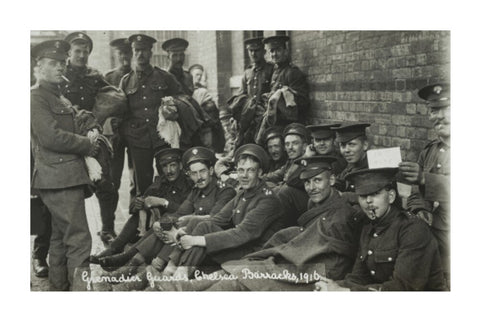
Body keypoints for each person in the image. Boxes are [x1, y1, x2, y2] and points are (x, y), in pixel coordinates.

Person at [152, 156, 362, 291]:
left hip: (304, 267)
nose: (312, 187)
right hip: (288, 255)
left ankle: (180, 286)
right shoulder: (318, 203)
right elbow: (217, 219)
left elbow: (334, 255)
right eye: (308, 182)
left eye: (318, 181)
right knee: (234, 270)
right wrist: (188, 226)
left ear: (332, 180)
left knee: (241, 277)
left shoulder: (340, 212)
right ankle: (180, 282)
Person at [99, 147, 236, 291]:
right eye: (194, 173)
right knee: (170, 224)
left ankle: (145, 271)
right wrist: (160, 224)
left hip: (210, 245)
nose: (199, 177)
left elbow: (213, 220)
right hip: (189, 242)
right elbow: (179, 213)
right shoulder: (197, 191)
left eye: (202, 171)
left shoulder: (225, 190)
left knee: (188, 224)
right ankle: (133, 267)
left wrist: (179, 225)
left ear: (211, 171)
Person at [31, 40, 100, 290]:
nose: (60, 67)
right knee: (80, 240)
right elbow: (50, 137)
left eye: (62, 62)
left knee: (60, 239)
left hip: (60, 176)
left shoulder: (55, 95)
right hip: (59, 177)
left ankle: (59, 290)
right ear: (39, 68)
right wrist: (86, 144)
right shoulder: (36, 97)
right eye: (52, 63)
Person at [315, 167, 446, 291]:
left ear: (391, 196)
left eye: (375, 194)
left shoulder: (413, 229)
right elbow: (359, 277)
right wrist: (333, 286)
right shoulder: (368, 227)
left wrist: (345, 291)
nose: (368, 201)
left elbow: (403, 288)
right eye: (362, 196)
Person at [164, 144, 284, 279]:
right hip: (240, 246)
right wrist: (187, 230)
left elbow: (242, 233)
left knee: (204, 232)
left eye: (250, 170)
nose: (244, 176)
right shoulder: (243, 194)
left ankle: (179, 274)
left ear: (260, 173)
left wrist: (197, 239)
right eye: (240, 170)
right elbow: (218, 218)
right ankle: (176, 269)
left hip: (255, 255)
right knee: (203, 224)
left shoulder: (268, 200)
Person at [90, 148, 193, 268]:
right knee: (138, 215)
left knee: (164, 219)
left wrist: (162, 202)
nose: (169, 171)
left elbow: (186, 210)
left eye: (173, 165)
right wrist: (138, 204)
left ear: (180, 165)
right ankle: (113, 249)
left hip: (173, 227)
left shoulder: (188, 184)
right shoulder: (161, 182)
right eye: (165, 166)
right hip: (155, 227)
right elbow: (139, 202)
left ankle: (127, 256)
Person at [60, 31, 117, 244]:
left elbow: (116, 96)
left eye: (85, 52)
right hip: (67, 139)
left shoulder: (94, 75)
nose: (82, 55)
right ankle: (42, 250)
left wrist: (96, 117)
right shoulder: (59, 75)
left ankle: (108, 230)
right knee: (63, 192)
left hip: (92, 137)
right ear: (68, 53)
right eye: (77, 51)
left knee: (106, 186)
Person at [398, 83, 450, 287]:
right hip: (433, 237)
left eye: (447, 109)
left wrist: (424, 179)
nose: (439, 116)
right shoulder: (430, 150)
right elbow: (415, 192)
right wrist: (419, 208)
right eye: (434, 110)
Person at [119, 34, 184, 196]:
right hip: (138, 141)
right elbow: (121, 112)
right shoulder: (126, 81)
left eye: (144, 50)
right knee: (142, 185)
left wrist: (172, 110)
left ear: (150, 52)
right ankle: (144, 220)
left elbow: (181, 101)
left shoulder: (165, 77)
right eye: (136, 50)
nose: (140, 54)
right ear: (133, 52)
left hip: (162, 139)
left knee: (169, 180)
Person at [256, 35, 309, 141]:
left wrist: (284, 95)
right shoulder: (275, 72)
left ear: (285, 51)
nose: (274, 54)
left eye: (278, 50)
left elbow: (303, 102)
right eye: (272, 51)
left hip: (288, 126)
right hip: (275, 123)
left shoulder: (293, 72)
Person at [228, 37, 274, 146]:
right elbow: (241, 94)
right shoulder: (247, 72)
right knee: (243, 141)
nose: (253, 54)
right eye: (250, 51)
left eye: (256, 50)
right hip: (248, 115)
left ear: (264, 51)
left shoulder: (271, 69)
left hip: (263, 114)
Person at [263, 123, 310, 226]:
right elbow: (276, 175)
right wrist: (255, 177)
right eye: (287, 144)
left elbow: (290, 180)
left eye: (295, 143)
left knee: (283, 191)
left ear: (305, 146)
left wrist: (306, 156)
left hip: (307, 207)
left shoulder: (308, 162)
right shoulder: (291, 161)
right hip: (291, 205)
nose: (290, 148)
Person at [332, 123, 370, 205]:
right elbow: (340, 181)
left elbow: (373, 197)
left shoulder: (373, 167)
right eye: (343, 145)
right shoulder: (352, 164)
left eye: (351, 144)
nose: (346, 150)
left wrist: (344, 195)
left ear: (365, 145)